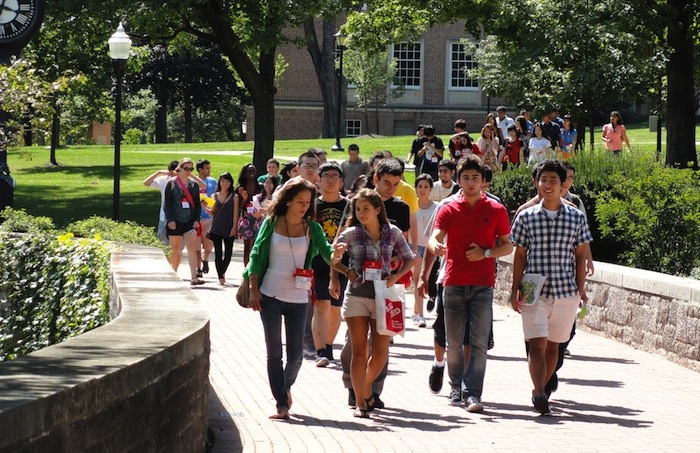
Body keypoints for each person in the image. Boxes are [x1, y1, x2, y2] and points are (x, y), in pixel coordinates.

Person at [243, 177, 348, 420]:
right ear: (288, 200)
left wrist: (337, 254)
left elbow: (327, 253)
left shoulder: (313, 228)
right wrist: (254, 287)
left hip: (299, 298)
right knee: (274, 353)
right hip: (269, 294)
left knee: (296, 357)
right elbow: (257, 254)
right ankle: (282, 404)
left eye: (308, 202)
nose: (304, 206)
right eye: (300, 201)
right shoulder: (272, 222)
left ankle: (285, 388)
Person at [428, 155, 513, 412]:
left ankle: (473, 393)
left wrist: (486, 253)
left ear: (482, 181)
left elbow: (508, 245)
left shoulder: (497, 210)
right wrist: (435, 245)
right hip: (453, 283)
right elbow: (435, 237)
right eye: (466, 178)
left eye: (475, 177)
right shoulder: (448, 209)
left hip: (482, 286)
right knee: (453, 342)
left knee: (478, 342)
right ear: (458, 180)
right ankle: (456, 388)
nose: (471, 182)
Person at [509, 159, 592, 415]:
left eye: (553, 180)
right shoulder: (526, 217)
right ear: (537, 183)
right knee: (537, 344)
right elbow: (520, 255)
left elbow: (580, 255)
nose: (547, 185)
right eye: (543, 180)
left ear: (563, 184)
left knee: (554, 345)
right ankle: (539, 393)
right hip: (534, 289)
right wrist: (515, 288)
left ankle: (542, 387)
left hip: (566, 291)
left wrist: (580, 289)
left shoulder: (576, 217)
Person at [334, 188, 416, 418]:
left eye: (366, 209)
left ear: (377, 210)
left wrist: (395, 276)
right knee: (359, 352)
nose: (361, 213)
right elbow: (331, 257)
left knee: (380, 353)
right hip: (358, 295)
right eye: (358, 209)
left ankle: (366, 387)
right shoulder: (351, 233)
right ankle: (361, 402)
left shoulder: (393, 232)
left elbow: (410, 258)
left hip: (383, 296)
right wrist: (344, 266)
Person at [312, 162, 350, 367]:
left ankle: (328, 345)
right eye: (326, 175)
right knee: (321, 304)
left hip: (342, 263)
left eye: (335, 176)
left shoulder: (349, 206)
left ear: (342, 181)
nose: (330, 179)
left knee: (335, 307)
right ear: (319, 179)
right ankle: (320, 351)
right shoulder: (312, 205)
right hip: (317, 261)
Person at [163, 158, 204, 285]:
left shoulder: (193, 185)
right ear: (179, 169)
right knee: (175, 249)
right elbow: (167, 204)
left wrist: (197, 219)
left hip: (189, 221)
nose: (188, 171)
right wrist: (170, 220)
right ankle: (173, 273)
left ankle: (194, 277)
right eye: (186, 168)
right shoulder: (171, 184)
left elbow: (197, 204)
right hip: (175, 220)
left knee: (191, 247)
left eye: (191, 169)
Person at [412, 174, 437, 327]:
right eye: (420, 186)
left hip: (429, 249)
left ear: (430, 189)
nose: (422, 190)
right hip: (413, 247)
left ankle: (415, 311)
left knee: (424, 281)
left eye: (425, 187)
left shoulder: (436, 207)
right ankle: (421, 315)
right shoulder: (410, 205)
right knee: (417, 281)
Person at [208, 172, 237, 286]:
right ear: (219, 182)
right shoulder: (214, 196)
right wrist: (205, 207)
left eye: (227, 181)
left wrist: (234, 227)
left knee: (228, 253)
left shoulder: (234, 197)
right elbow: (212, 212)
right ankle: (220, 276)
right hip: (217, 227)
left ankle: (222, 271)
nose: (225, 184)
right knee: (218, 253)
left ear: (231, 183)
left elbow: (235, 214)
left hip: (229, 227)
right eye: (222, 181)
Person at [143, 160, 180, 244]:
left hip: (180, 216)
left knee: (177, 245)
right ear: (170, 171)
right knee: (163, 242)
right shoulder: (164, 180)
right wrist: (158, 172)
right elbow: (146, 183)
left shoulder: (186, 181)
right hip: (164, 216)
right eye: (176, 171)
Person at [235, 164, 261, 266]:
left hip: (258, 216)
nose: (252, 174)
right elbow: (239, 207)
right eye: (250, 171)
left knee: (256, 244)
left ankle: (254, 267)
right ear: (245, 173)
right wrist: (245, 198)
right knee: (247, 245)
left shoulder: (260, 187)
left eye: (254, 171)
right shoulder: (241, 188)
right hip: (246, 217)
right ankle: (246, 268)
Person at [196, 159, 217, 277]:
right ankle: (198, 267)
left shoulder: (213, 182)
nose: (209, 170)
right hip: (196, 218)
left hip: (209, 217)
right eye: (207, 168)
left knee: (209, 243)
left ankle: (206, 259)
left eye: (210, 168)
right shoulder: (193, 182)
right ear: (200, 170)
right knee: (197, 244)